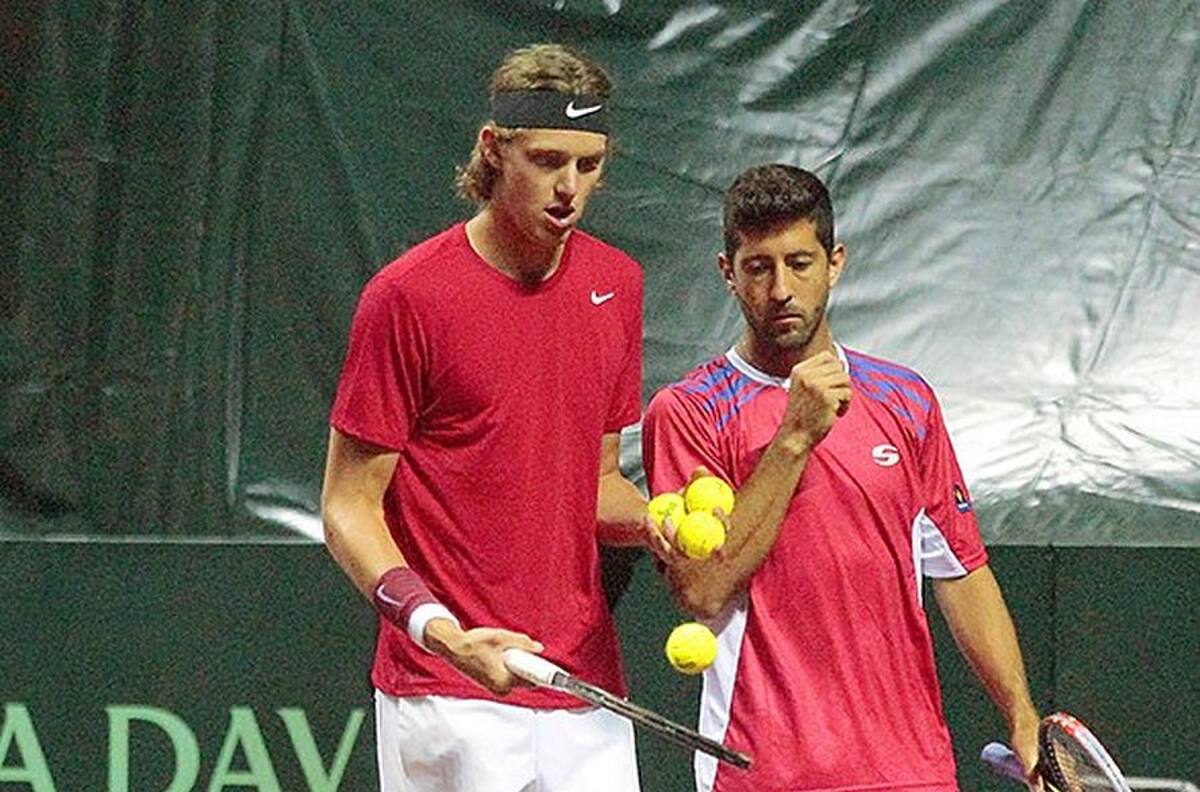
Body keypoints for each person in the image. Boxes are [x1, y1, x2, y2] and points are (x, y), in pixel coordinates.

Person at [321, 43, 671, 792]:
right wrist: (437, 630)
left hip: (584, 688)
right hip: (448, 689)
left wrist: (655, 523)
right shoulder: (407, 297)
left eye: (588, 164)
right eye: (546, 161)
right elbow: (348, 505)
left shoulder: (617, 283)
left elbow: (597, 484)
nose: (569, 188)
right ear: (493, 148)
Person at [643, 164, 1041, 792]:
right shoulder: (689, 412)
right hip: (765, 773)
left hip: (910, 771)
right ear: (728, 273)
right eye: (758, 267)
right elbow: (702, 592)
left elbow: (961, 572)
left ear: (835, 264)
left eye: (800, 263)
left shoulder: (907, 400)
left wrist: (1020, 713)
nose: (781, 289)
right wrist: (794, 437)